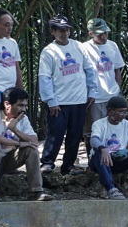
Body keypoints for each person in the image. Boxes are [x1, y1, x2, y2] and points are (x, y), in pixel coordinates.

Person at [0, 87, 53, 203]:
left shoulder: (23, 119)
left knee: (31, 150)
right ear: (7, 104)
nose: (23, 109)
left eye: (25, 106)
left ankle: (36, 191)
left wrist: (14, 129)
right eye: (20, 105)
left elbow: (34, 142)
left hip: (4, 163)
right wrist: (17, 143)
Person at [38, 15, 97, 175]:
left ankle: (68, 165)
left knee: (75, 135)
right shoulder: (49, 51)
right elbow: (44, 78)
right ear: (52, 31)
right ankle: (48, 163)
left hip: (79, 100)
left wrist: (92, 91)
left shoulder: (78, 46)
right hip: (59, 101)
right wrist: (51, 100)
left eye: (66, 30)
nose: (64, 33)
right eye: (60, 30)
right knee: (55, 133)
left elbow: (89, 70)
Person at [83, 18, 125, 151]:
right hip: (95, 98)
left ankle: (114, 160)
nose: (103, 36)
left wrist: (117, 88)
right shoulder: (84, 48)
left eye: (105, 33)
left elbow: (117, 69)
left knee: (114, 129)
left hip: (112, 95)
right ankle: (93, 162)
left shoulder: (112, 46)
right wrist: (87, 93)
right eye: (99, 34)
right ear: (91, 34)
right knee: (92, 131)